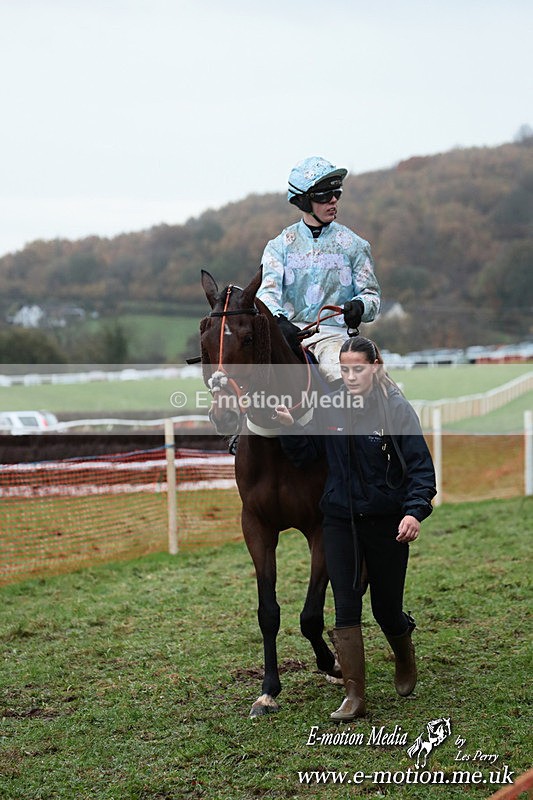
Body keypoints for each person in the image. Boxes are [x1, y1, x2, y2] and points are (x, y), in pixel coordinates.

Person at [276, 336, 436, 722]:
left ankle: (404, 653)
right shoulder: (330, 407)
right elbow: (307, 456)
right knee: (345, 605)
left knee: (386, 609)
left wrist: (413, 513)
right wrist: (289, 428)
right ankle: (354, 696)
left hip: (386, 524)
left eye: (358, 369)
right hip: (339, 521)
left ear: (375, 367)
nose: (349, 376)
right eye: (344, 369)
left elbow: (421, 471)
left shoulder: (395, 409)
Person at [256, 156, 381, 383]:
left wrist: (361, 305)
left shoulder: (356, 245)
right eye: (325, 196)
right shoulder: (278, 246)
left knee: (341, 379)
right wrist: (279, 320)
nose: (333, 201)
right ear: (304, 201)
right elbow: (265, 293)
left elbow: (372, 297)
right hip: (288, 337)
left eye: (337, 194)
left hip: (334, 339)